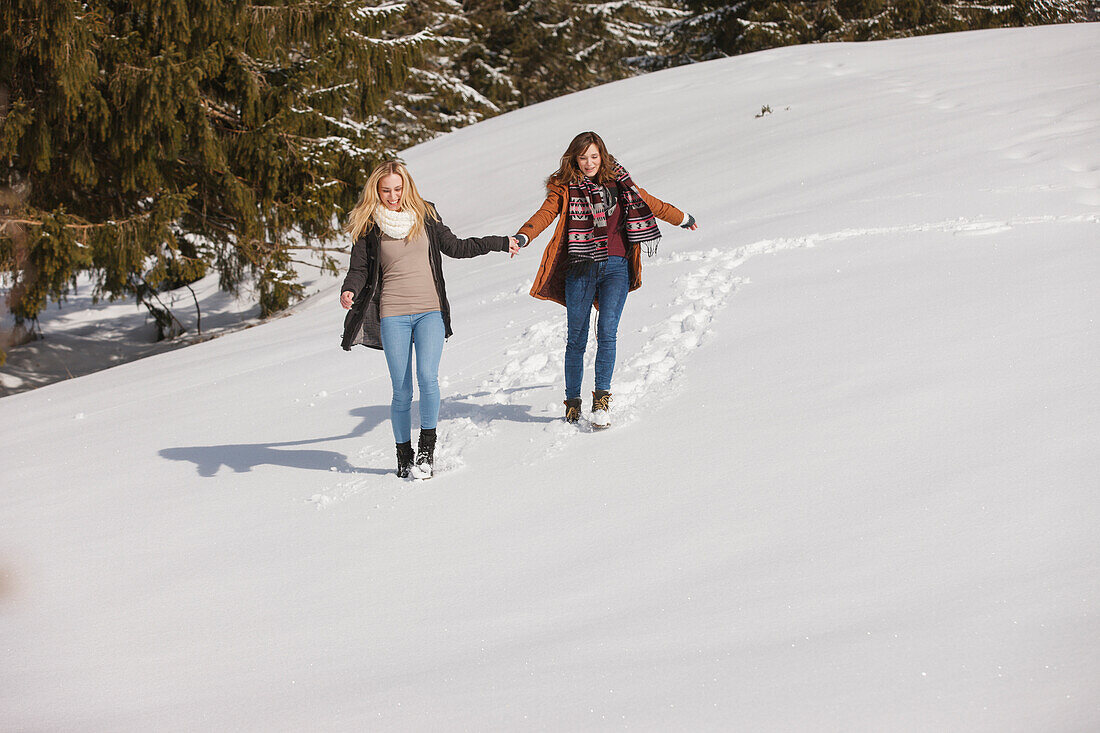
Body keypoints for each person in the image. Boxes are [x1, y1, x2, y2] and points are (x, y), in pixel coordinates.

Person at [340, 161, 520, 478]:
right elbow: (358, 269)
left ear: (406, 186)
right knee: (401, 390)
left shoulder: (426, 214)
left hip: (430, 311)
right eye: (385, 191)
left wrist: (499, 242)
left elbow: (456, 247)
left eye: (397, 189)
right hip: (392, 314)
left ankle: (426, 452)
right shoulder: (370, 225)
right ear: (376, 191)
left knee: (428, 379)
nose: (393, 196)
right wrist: (349, 290)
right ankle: (403, 455)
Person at [513, 131, 698, 428]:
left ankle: (601, 400)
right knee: (576, 338)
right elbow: (546, 213)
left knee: (607, 333)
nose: (589, 163)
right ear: (574, 158)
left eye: (594, 157)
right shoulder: (564, 188)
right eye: (583, 157)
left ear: (603, 155)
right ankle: (572, 402)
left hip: (617, 267)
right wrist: (524, 235)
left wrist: (683, 218)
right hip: (581, 267)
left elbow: (652, 204)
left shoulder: (621, 182)